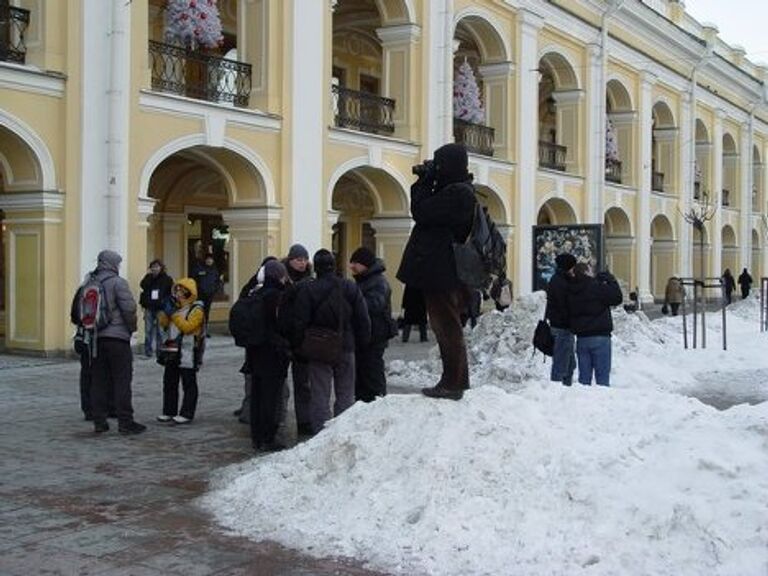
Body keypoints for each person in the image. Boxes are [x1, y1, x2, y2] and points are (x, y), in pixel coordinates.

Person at [396, 143, 477, 400]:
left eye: (439, 164)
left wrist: (423, 182)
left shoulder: (458, 194)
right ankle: (453, 380)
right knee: (445, 326)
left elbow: (421, 211)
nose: (436, 169)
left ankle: (453, 383)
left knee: (447, 326)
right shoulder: (457, 190)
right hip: (441, 269)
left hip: (443, 271)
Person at [294, 249, 370, 434]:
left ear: (316, 267)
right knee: (345, 392)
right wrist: (362, 343)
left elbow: (299, 321)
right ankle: (343, 430)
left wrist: (299, 347)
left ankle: (321, 432)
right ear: (334, 265)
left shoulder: (308, 289)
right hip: (346, 344)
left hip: (318, 347)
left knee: (319, 393)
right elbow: (363, 318)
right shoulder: (350, 287)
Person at [88, 250, 146, 434]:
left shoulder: (89, 282)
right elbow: (129, 308)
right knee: (122, 380)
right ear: (112, 264)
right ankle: (125, 421)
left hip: (96, 338)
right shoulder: (118, 283)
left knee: (98, 380)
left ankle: (99, 420)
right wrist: (131, 329)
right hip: (117, 339)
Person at [247, 260, 292, 451]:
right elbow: (283, 325)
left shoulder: (255, 293)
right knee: (271, 397)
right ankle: (268, 436)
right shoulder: (278, 296)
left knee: (256, 395)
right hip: (273, 352)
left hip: (255, 350)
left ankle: (256, 436)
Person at [156, 278, 205, 425]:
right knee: (169, 382)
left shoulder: (196, 309)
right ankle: (168, 411)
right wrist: (164, 312)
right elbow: (164, 324)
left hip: (188, 352)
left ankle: (187, 413)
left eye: (181, 291)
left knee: (188, 383)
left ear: (189, 293)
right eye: (176, 290)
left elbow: (188, 327)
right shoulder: (174, 307)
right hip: (172, 350)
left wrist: (174, 315)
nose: (178, 293)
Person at [349, 246, 394, 402]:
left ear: (366, 264)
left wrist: (352, 303)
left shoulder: (378, 282)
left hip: (375, 335)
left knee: (372, 372)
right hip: (365, 335)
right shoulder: (363, 280)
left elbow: (375, 304)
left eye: (356, 263)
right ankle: (363, 402)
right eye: (351, 262)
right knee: (362, 372)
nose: (352, 266)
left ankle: (376, 402)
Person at [566, 264, 623, 387]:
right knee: (602, 378)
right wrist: (611, 280)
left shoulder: (571, 289)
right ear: (586, 272)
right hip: (600, 337)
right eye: (591, 271)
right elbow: (617, 298)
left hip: (581, 338)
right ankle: (601, 404)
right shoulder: (596, 286)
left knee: (584, 379)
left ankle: (584, 404)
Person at [278, 244, 314, 436]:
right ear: (290, 260)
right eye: (298, 259)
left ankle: (305, 420)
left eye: (304, 259)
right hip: (283, 337)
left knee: (303, 383)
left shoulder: (310, 280)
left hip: (302, 339)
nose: (302, 263)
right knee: (279, 382)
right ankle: (278, 418)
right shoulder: (281, 278)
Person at [545, 253, 577, 387]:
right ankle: (558, 391)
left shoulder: (559, 279)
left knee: (569, 364)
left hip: (563, 327)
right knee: (562, 363)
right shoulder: (560, 282)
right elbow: (564, 305)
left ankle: (566, 390)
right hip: (562, 327)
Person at [139, 259, 174, 357]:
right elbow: (142, 285)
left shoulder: (167, 279)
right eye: (153, 267)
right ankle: (148, 350)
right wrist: (151, 278)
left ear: (161, 268)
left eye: (157, 267)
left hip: (161, 308)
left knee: (160, 331)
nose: (155, 269)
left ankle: (160, 351)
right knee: (148, 330)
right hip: (149, 306)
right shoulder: (148, 277)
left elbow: (170, 292)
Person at [192, 253, 222, 331]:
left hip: (209, 295)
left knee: (206, 312)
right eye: (208, 259)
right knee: (198, 312)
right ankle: (197, 329)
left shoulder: (214, 271)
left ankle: (204, 330)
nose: (209, 261)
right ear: (205, 260)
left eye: (211, 259)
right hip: (200, 295)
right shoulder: (199, 268)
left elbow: (218, 282)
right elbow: (193, 280)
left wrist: (215, 290)